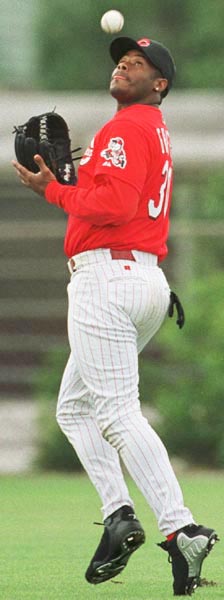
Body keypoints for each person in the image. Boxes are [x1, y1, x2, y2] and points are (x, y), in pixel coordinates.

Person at [13, 35, 218, 596]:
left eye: (141, 64)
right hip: (141, 276)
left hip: (108, 280)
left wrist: (56, 190)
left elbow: (113, 206)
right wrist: (71, 183)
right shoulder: (149, 131)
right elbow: (113, 197)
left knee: (118, 415)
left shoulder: (127, 126)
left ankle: (181, 528)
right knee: (76, 409)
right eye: (123, 59)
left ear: (160, 85)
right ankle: (119, 515)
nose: (125, 64)